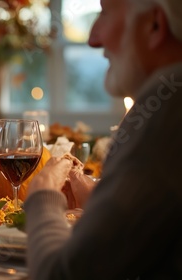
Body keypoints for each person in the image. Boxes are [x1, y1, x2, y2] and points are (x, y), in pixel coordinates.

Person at [24, 0, 182, 279]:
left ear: (155, 25)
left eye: (105, 13)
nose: (93, 38)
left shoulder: (167, 108)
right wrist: (101, 201)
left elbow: (62, 274)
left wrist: (43, 195)